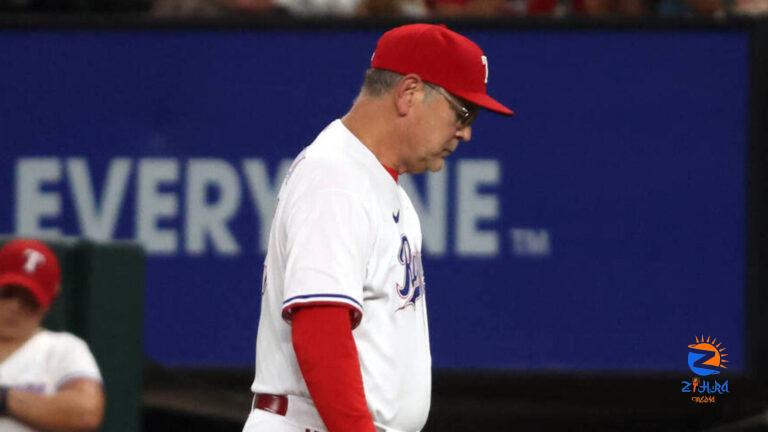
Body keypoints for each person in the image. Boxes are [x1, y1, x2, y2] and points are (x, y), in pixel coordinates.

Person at [243, 23, 514, 432]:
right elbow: (321, 329)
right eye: (462, 111)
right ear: (409, 93)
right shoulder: (336, 177)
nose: (466, 131)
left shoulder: (377, 184)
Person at [0, 239, 104, 432]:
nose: (15, 306)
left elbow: (85, 413)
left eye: (29, 300)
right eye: (7, 293)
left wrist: (5, 399)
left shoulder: (62, 348)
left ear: (48, 301)